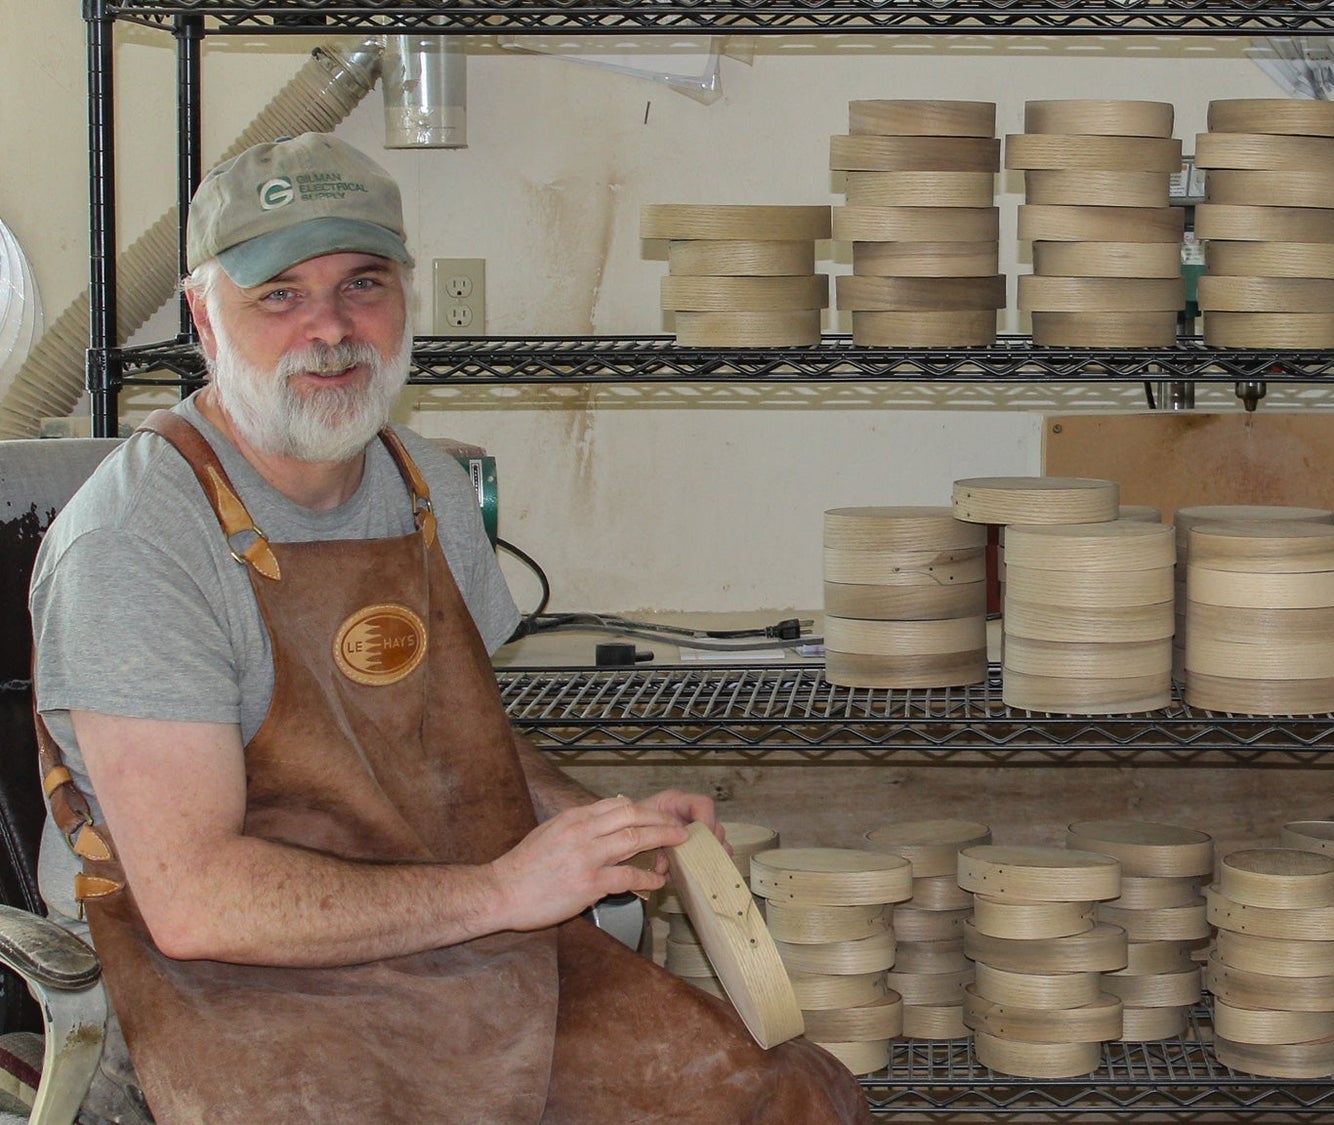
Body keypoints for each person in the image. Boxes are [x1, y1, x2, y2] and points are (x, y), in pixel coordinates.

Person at [30, 132, 870, 1123]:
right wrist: (506, 891)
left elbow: (462, 742)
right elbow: (196, 899)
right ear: (205, 318)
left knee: (784, 1097)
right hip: (233, 980)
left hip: (449, 939)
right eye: (280, 296)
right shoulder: (138, 539)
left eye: (363, 285)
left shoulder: (426, 488)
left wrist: (595, 825)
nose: (330, 329)